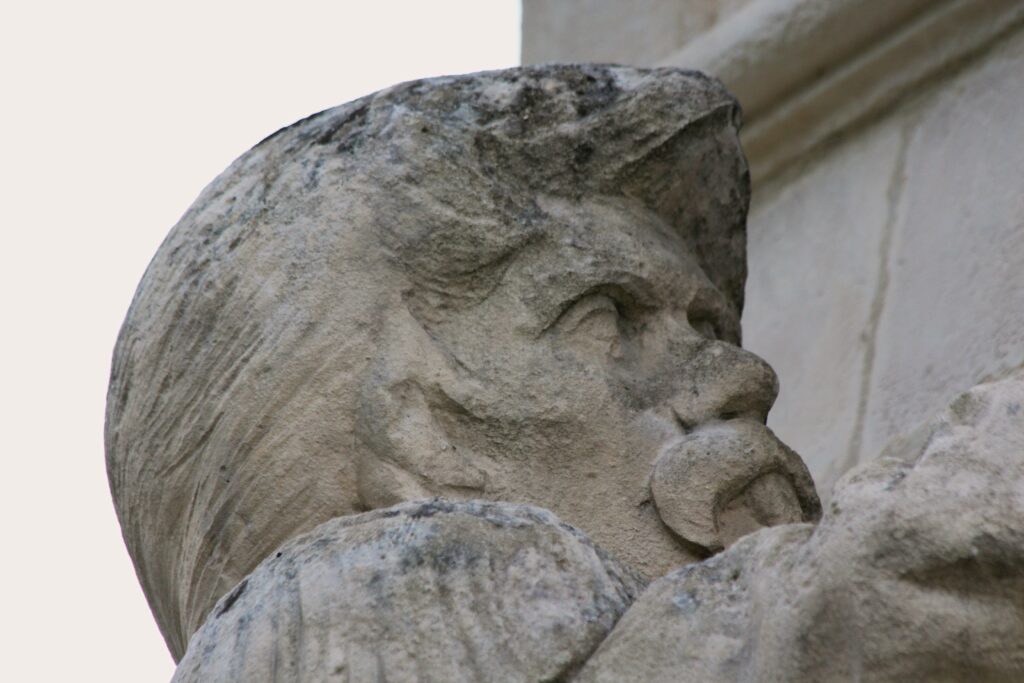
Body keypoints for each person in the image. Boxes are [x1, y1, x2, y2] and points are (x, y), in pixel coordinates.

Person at [107, 65, 820, 669]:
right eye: (606, 318)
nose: (742, 373)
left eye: (706, 324)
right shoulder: (360, 595)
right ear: (409, 424)